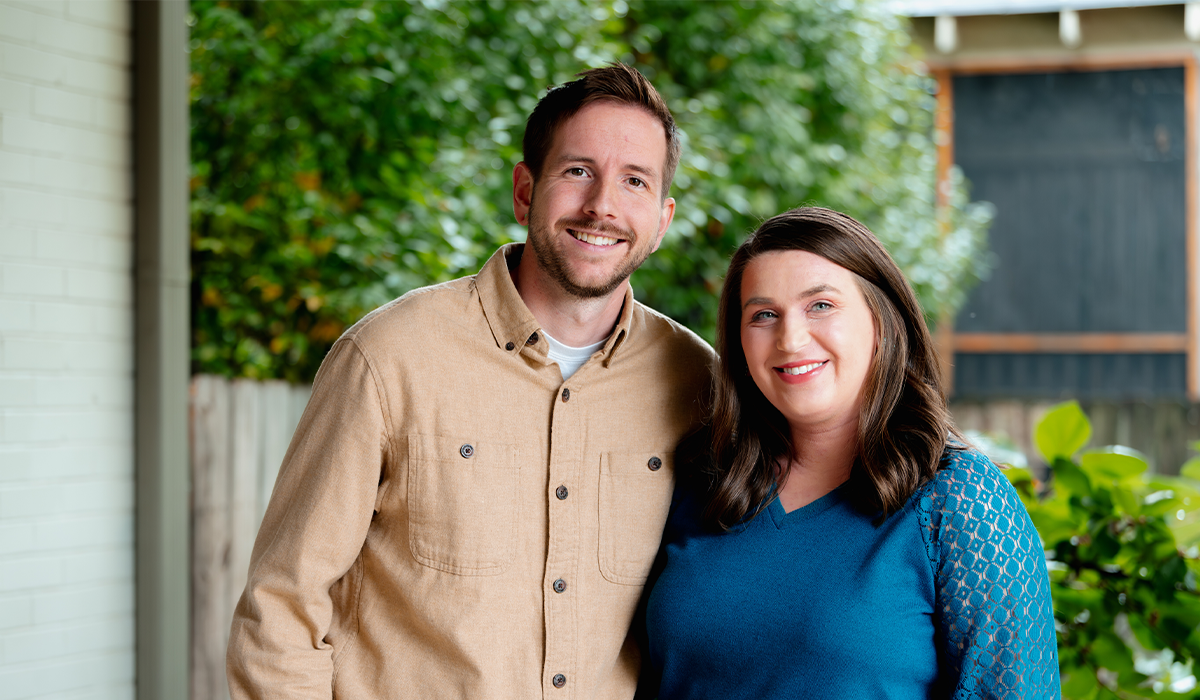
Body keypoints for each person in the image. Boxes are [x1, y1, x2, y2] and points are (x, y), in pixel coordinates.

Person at [227, 64, 715, 699]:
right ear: (523, 190)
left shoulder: (699, 384)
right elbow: (281, 607)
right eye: (577, 171)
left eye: (634, 181)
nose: (603, 205)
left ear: (662, 217)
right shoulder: (388, 358)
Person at [642, 207, 1059, 699]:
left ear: (882, 322)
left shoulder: (961, 501)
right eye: (764, 315)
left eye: (820, 305)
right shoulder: (698, 481)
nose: (791, 339)